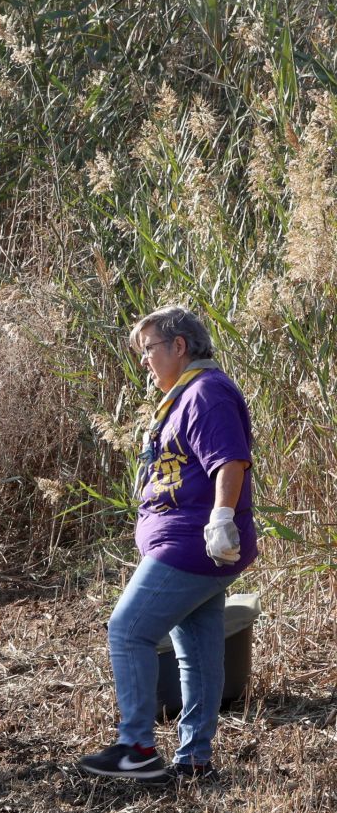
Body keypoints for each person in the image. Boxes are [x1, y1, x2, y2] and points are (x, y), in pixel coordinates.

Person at [78, 306, 256, 784]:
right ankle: (195, 758)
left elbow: (229, 462)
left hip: (191, 545)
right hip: (191, 544)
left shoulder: (206, 392)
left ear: (179, 347)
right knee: (196, 648)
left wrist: (221, 518)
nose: (144, 362)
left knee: (128, 629)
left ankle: (136, 746)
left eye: (149, 349)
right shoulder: (183, 396)